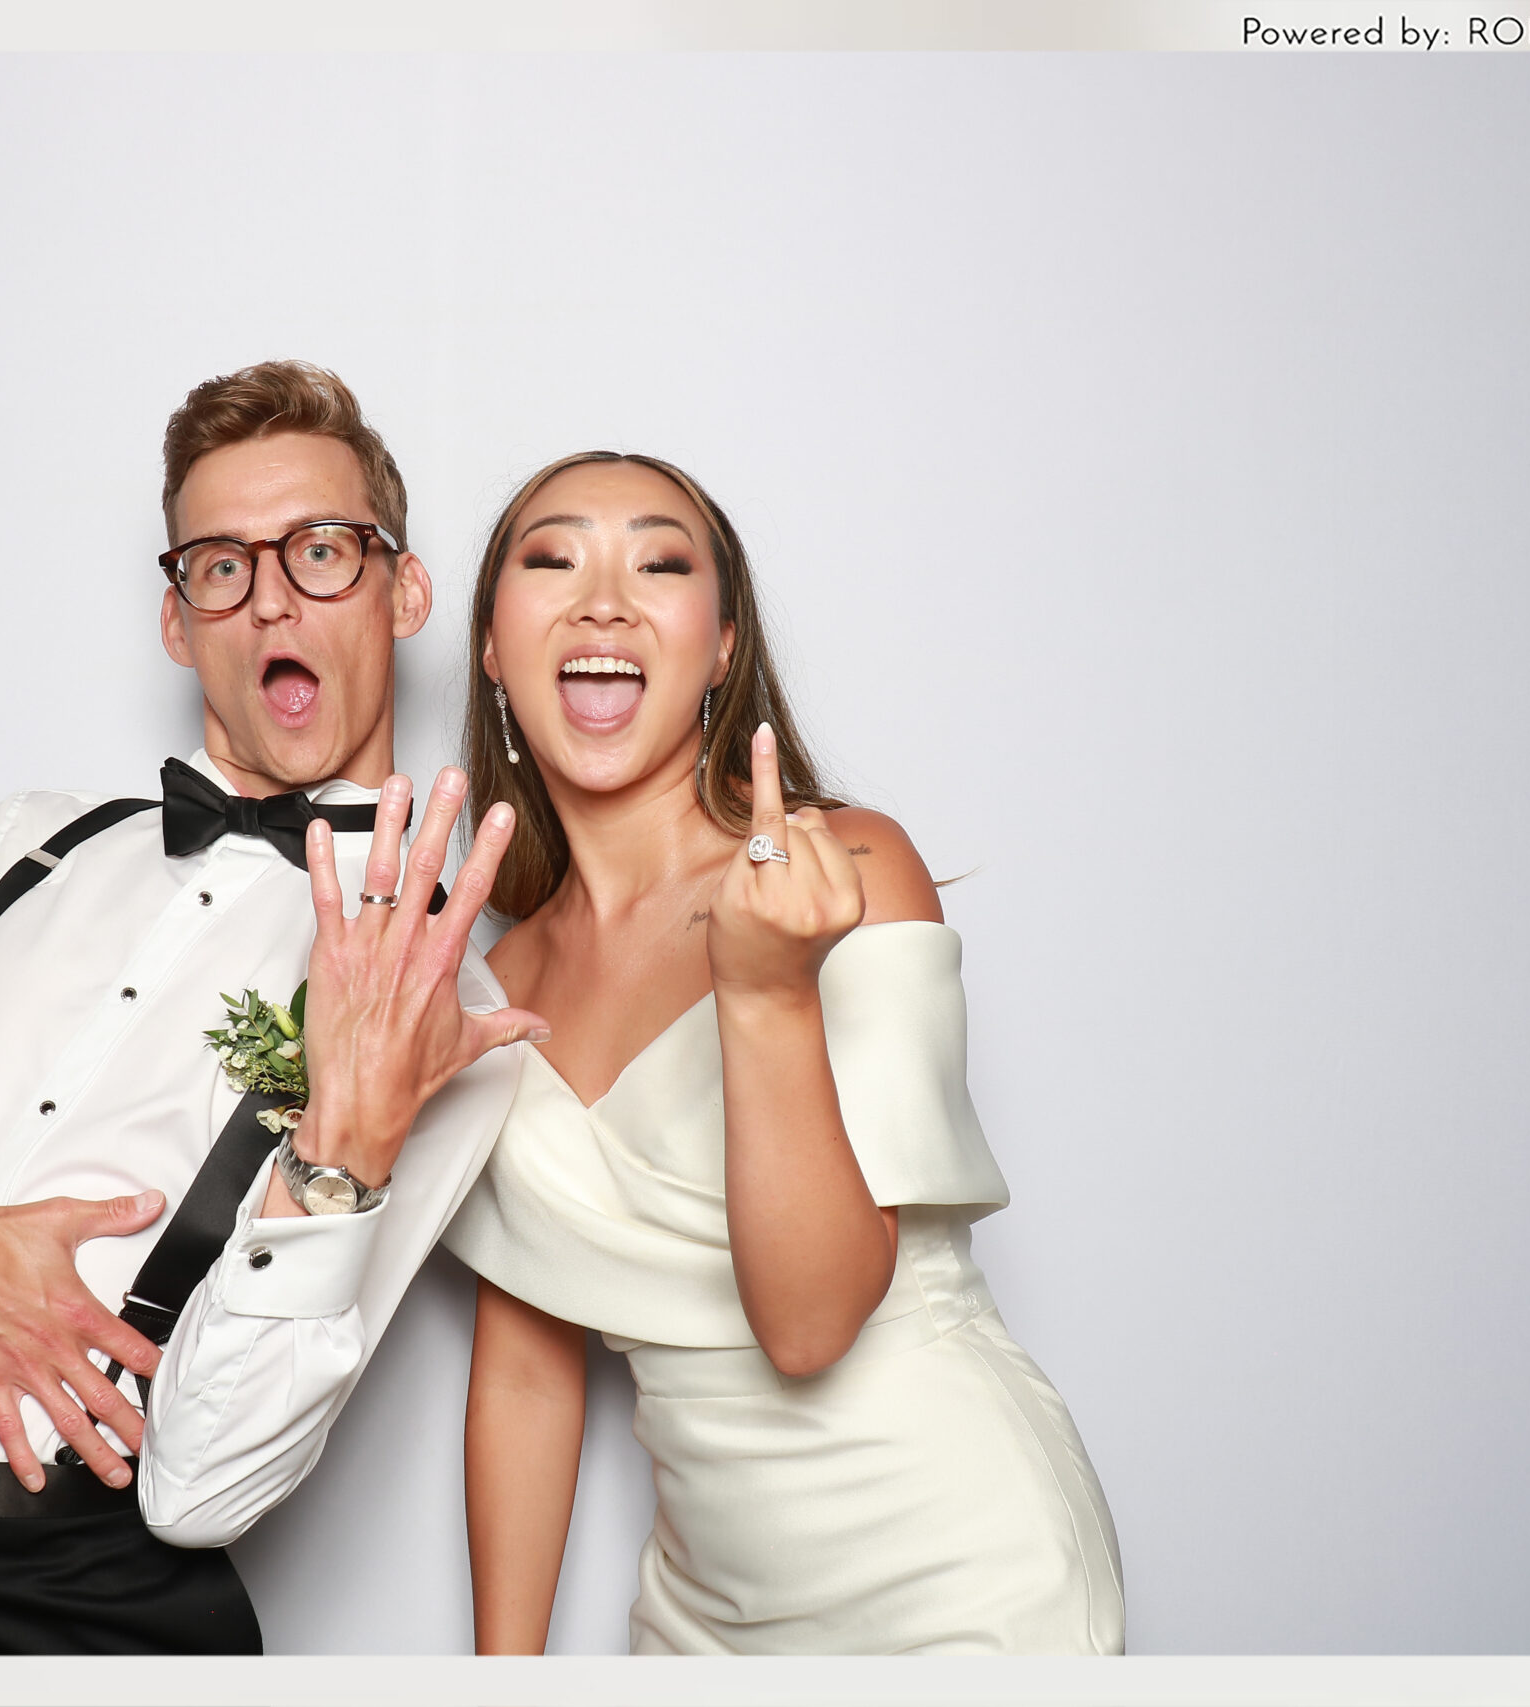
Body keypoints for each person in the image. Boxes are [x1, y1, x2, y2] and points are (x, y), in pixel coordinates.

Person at [0, 360, 544, 1654]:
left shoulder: (439, 1000)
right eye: (222, 565)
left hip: (59, 1597)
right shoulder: (22, 843)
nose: (271, 597)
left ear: (403, 587)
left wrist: (341, 1145)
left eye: (320, 550)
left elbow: (202, 1485)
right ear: (179, 618)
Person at [442, 451, 1125, 1655]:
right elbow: (528, 1373)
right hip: (707, 1614)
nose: (603, 598)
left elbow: (810, 1326)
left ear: (720, 648)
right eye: (551, 561)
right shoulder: (495, 983)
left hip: (959, 1574)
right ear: (494, 646)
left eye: (659, 562)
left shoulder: (846, 873)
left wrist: (764, 996)